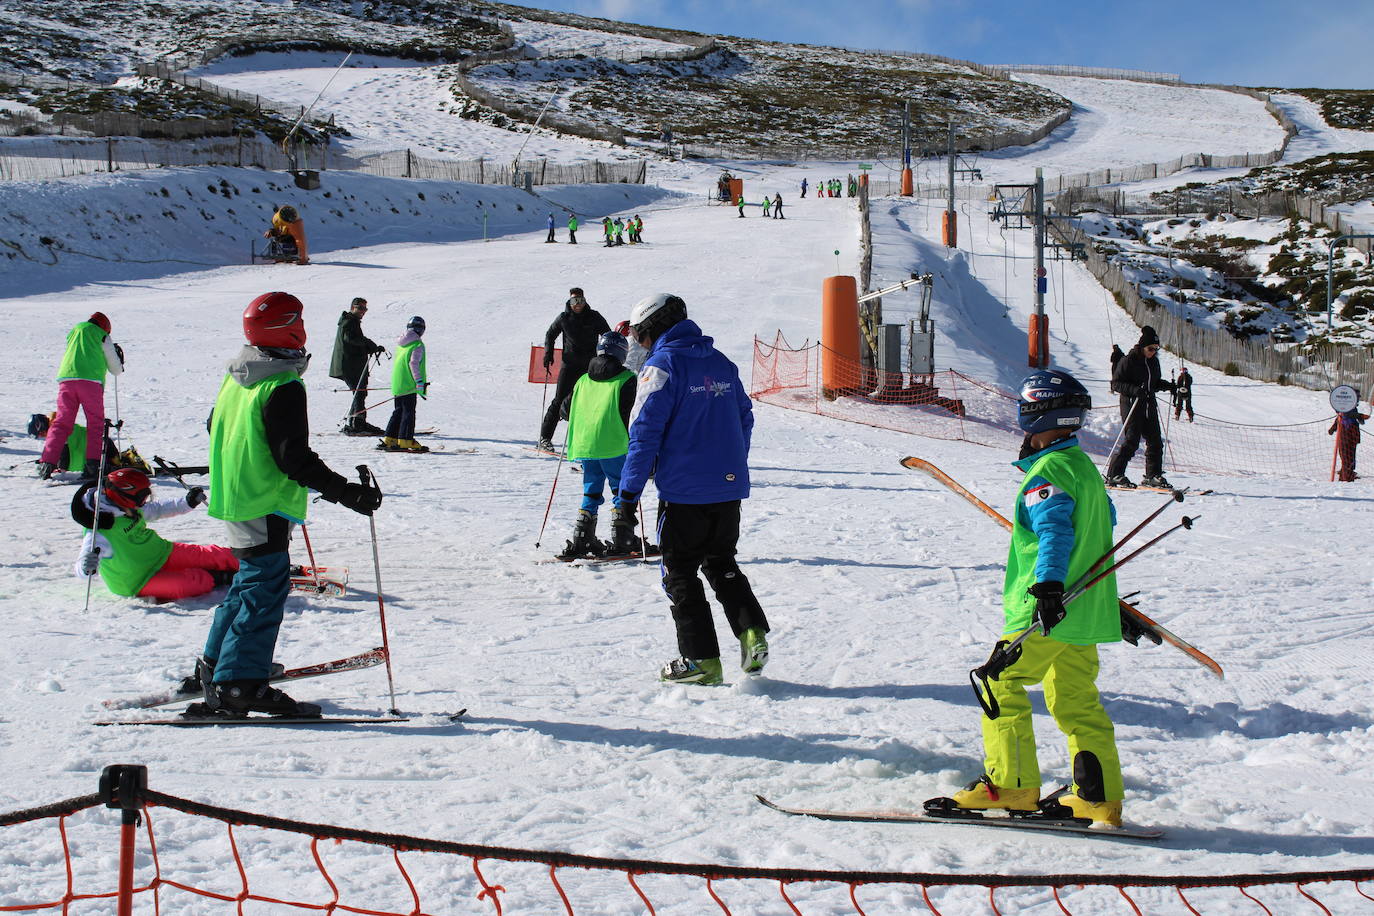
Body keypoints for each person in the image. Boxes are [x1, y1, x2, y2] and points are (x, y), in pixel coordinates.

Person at [931, 368, 1129, 827]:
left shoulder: (1050, 470)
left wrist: (1048, 587)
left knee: (998, 682)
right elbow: (1102, 524)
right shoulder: (1082, 468)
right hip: (1084, 613)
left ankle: (1012, 786)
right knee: (1076, 701)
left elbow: (1056, 530)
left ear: (1037, 413)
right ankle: (1098, 798)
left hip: (1047, 611)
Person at [200, 291, 383, 716]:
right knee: (264, 586)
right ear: (290, 329)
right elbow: (293, 458)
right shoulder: (281, 384)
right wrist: (348, 493)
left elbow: (215, 424)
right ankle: (240, 682)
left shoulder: (240, 374)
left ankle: (218, 665)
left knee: (250, 582)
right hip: (263, 498)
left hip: (237, 493)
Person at [617, 293, 769, 685]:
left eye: (642, 336)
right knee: (721, 563)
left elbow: (644, 434)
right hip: (727, 489)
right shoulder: (722, 363)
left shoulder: (662, 366)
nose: (641, 344)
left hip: (683, 494)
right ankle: (752, 633)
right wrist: (728, 465)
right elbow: (744, 419)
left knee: (680, 573)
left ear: (654, 329)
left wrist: (627, 496)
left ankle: (702, 662)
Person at [73, 469, 239, 602]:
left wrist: (187, 502)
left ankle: (254, 561)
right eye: (141, 496)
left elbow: (158, 509)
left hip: (162, 552)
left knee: (215, 555)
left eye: (147, 495)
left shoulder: (130, 506)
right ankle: (222, 577)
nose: (144, 501)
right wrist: (86, 567)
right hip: (138, 580)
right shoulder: (100, 529)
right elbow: (84, 563)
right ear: (123, 496)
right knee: (194, 582)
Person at [556, 332, 645, 560]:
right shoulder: (627, 378)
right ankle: (623, 537)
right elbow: (632, 414)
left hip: (585, 444)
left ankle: (582, 536)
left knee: (592, 489)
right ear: (622, 353)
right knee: (620, 489)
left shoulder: (583, 379)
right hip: (614, 443)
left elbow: (565, 410)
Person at [37, 312, 124, 481]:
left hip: (67, 380)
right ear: (105, 327)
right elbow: (115, 369)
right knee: (95, 424)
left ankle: (47, 463)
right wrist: (119, 361)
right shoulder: (102, 335)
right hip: (90, 382)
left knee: (61, 423)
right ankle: (92, 465)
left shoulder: (75, 331)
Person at [539, 289, 610, 451]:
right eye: (574, 301)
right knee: (559, 400)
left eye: (580, 301)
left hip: (589, 367)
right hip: (569, 365)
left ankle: (589, 440)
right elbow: (550, 334)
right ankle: (545, 438)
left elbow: (608, 335)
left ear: (585, 301)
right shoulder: (564, 318)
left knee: (589, 403)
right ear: (569, 303)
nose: (577, 305)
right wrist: (548, 353)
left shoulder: (594, 317)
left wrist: (607, 355)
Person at [1105, 326, 1174, 489]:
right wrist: (1135, 390)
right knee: (1132, 440)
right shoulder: (1129, 360)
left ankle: (1153, 475)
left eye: (1156, 349)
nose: (1153, 352)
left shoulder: (1153, 362)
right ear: (1142, 346)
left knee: (1155, 441)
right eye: (1150, 348)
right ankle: (1115, 474)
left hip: (1149, 405)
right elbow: (1116, 383)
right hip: (1132, 404)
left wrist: (1168, 386)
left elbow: (1153, 383)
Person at [329, 297, 386, 435]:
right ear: (352, 307)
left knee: (359, 392)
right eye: (360, 308)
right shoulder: (349, 322)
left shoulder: (350, 321)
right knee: (359, 392)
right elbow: (351, 340)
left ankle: (356, 422)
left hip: (350, 364)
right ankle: (358, 424)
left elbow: (353, 343)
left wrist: (369, 347)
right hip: (349, 365)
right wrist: (369, 345)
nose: (363, 311)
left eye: (365, 309)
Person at [381, 316, 429, 453]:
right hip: (409, 384)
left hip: (398, 383)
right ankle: (406, 440)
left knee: (398, 411)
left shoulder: (401, 343)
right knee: (408, 412)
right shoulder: (417, 345)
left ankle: (390, 438)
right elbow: (413, 363)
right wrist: (419, 381)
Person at [1329, 401, 1368, 482]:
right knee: (1344, 455)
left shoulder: (1353, 409)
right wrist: (1333, 429)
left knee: (1350, 456)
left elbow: (1359, 421)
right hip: (1344, 436)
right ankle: (1345, 473)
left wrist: (1361, 418)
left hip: (1352, 437)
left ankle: (1348, 473)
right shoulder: (1346, 409)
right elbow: (1342, 416)